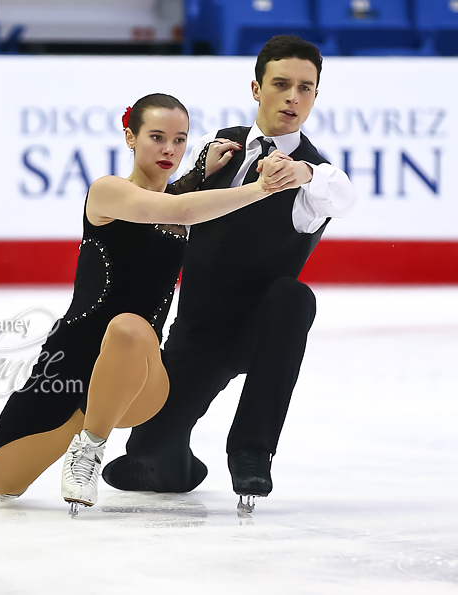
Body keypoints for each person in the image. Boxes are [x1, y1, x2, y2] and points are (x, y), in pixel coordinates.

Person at [0, 93, 281, 514]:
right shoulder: (107, 192)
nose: (169, 149)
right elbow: (174, 208)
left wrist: (201, 174)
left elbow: (175, 203)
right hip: (70, 363)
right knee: (4, 484)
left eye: (179, 139)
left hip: (139, 374)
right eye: (156, 137)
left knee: (129, 326)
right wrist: (258, 189)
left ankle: (89, 449)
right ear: (130, 137)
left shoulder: (176, 200)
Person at [102, 36, 358, 507]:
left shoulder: (317, 175)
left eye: (306, 88)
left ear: (316, 96)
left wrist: (303, 174)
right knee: (149, 460)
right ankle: (169, 458)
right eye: (281, 84)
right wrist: (198, 174)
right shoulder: (223, 145)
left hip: (259, 327)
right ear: (257, 89)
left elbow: (342, 196)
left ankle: (251, 452)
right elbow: (169, 213)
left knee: (294, 297)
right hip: (196, 331)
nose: (293, 97)